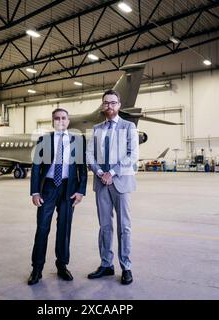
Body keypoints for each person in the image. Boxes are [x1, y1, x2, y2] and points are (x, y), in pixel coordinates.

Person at [28, 108, 88, 285]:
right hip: (47, 188)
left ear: (68, 121)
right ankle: (37, 269)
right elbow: (37, 167)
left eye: (63, 118)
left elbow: (81, 168)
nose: (60, 121)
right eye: (57, 118)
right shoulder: (44, 140)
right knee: (42, 229)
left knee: (64, 228)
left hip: (68, 189)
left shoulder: (77, 140)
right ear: (52, 121)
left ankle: (62, 265)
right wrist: (35, 192)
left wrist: (81, 190)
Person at [86, 89, 139, 285]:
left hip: (121, 182)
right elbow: (89, 154)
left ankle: (126, 266)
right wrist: (100, 173)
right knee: (105, 226)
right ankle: (106, 264)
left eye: (113, 102)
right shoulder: (96, 128)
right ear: (103, 105)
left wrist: (112, 172)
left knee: (124, 226)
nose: (110, 106)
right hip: (101, 183)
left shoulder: (129, 127)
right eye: (106, 103)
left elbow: (132, 154)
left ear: (119, 105)